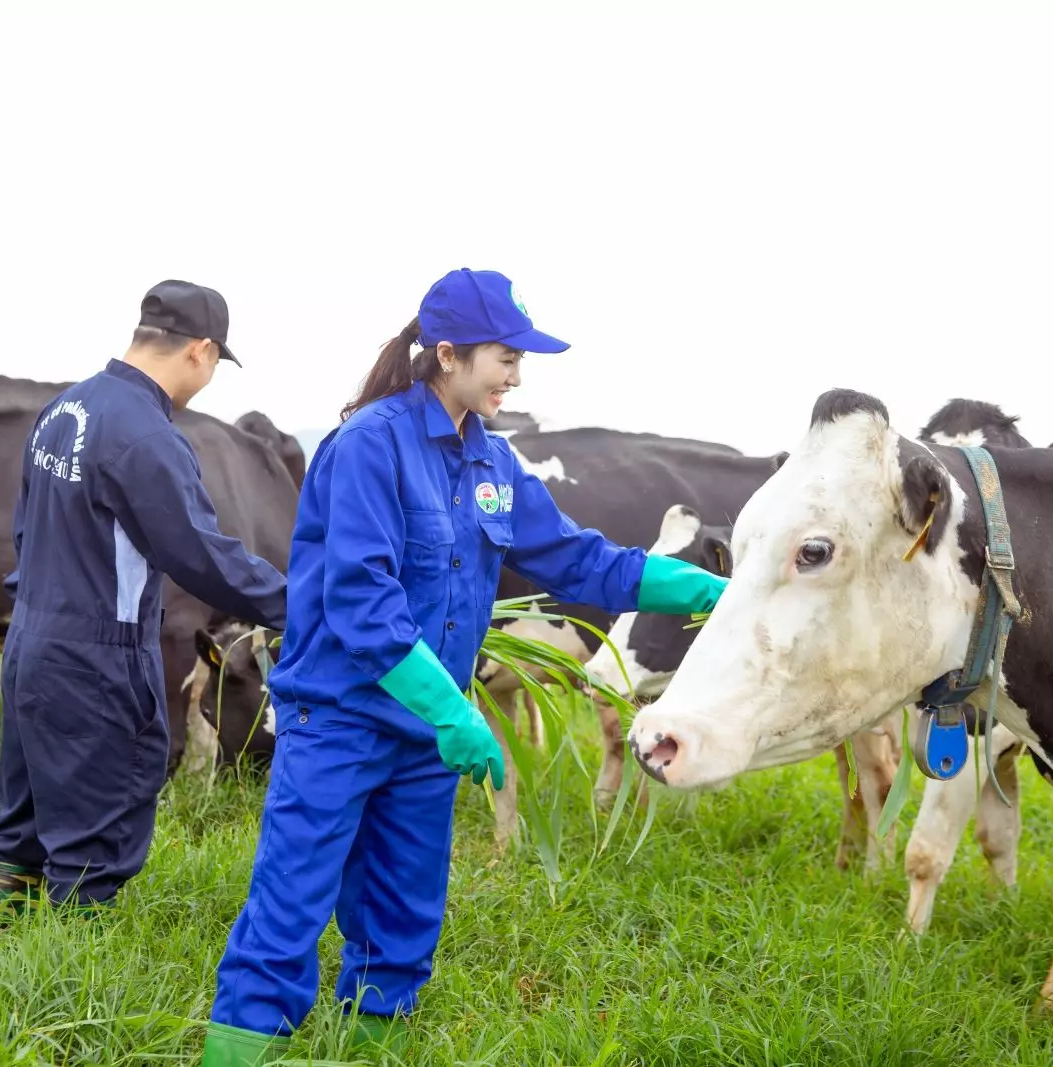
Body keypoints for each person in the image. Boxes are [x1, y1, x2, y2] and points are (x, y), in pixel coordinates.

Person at [199, 269, 728, 1066]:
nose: (517, 373)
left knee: (405, 913)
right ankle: (239, 1052)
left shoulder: (491, 461)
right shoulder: (367, 447)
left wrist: (693, 584)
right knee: (292, 905)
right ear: (447, 354)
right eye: (504, 356)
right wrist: (454, 710)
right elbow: (360, 603)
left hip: (423, 734)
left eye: (521, 357)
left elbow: (573, 560)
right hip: (340, 719)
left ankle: (371, 1046)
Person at [0, 279, 289, 920]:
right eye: (215, 364)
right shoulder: (146, 436)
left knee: (22, 828)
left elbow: (27, 530)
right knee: (95, 843)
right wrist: (302, 606)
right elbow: (201, 556)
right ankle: (62, 998)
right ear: (201, 350)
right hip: (97, 656)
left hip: (32, 640)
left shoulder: (65, 412)